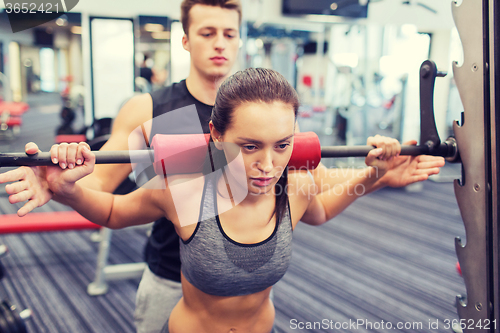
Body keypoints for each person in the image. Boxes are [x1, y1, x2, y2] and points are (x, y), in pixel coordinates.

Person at [0, 2, 445, 333]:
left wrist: (377, 175)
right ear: (186, 38)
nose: (219, 43)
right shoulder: (153, 110)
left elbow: (313, 187)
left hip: (252, 274)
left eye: (229, 34)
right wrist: (63, 187)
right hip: (173, 275)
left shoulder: (263, 108)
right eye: (208, 32)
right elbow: (108, 188)